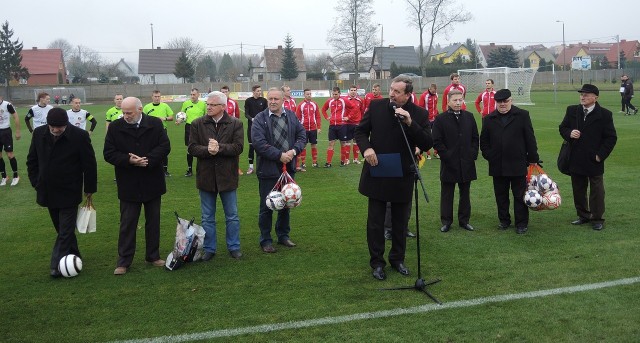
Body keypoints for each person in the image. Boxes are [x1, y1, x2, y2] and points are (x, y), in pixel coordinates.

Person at [354, 75, 432, 281]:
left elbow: (427, 142)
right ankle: (377, 263)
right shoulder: (377, 106)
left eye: (397, 92)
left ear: (408, 94)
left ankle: (397, 259)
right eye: (391, 90)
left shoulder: (419, 114)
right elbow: (360, 132)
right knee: (376, 222)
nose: (391, 94)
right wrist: (367, 148)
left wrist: (410, 122)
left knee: (399, 222)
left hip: (403, 173)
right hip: (377, 169)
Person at [26, 108, 97, 278]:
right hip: (47, 190)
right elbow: (32, 161)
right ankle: (74, 256)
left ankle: (56, 265)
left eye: (61, 127)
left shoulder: (80, 136)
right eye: (53, 127)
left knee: (65, 230)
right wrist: (36, 182)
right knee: (61, 229)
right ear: (48, 124)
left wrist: (89, 189)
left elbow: (89, 164)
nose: (57, 130)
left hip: (69, 191)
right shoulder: (38, 133)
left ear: (66, 123)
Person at [104, 97, 171, 275]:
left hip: (152, 181)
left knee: (153, 222)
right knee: (127, 223)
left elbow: (165, 146)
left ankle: (153, 256)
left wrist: (148, 160)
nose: (125, 116)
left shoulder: (155, 124)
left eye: (129, 113)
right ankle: (124, 261)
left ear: (140, 109)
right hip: (128, 183)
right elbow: (108, 153)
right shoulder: (115, 127)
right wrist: (129, 160)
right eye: (123, 112)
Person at [188, 91, 244, 259]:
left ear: (223, 107)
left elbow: (238, 147)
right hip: (206, 177)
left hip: (227, 176)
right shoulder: (197, 124)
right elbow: (191, 148)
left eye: (213, 105)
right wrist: (207, 150)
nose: (209, 107)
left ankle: (234, 247)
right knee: (207, 217)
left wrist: (220, 147)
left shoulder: (236, 123)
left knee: (232, 216)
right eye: (208, 104)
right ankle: (209, 249)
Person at [251, 87, 306, 253]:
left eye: (276, 99)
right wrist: (279, 155)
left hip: (288, 168)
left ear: (283, 100)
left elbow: (302, 135)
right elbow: (259, 144)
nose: (273, 102)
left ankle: (283, 236)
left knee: (287, 203)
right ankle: (266, 240)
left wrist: (293, 151)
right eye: (270, 99)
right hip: (268, 170)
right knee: (267, 206)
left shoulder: (290, 115)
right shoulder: (259, 119)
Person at [480, 89, 539, 234]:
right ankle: (504, 220)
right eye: (499, 102)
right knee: (501, 195)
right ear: (496, 103)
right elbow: (484, 142)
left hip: (517, 163)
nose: (502, 104)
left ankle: (521, 223)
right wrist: (490, 156)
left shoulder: (522, 115)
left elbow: (530, 138)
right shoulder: (488, 119)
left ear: (511, 101)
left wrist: (533, 158)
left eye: (505, 101)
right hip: (497, 165)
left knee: (519, 195)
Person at [559, 84, 617, 231]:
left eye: (586, 94)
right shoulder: (572, 110)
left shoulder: (605, 114)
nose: (582, 97)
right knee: (578, 189)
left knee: (597, 190)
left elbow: (610, 137)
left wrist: (600, 155)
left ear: (595, 97)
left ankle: (597, 219)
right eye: (581, 94)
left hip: (594, 158)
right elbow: (562, 128)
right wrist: (569, 133)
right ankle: (583, 215)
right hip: (576, 157)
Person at [432, 89, 479, 233]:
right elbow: (437, 141)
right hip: (449, 163)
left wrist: (472, 155)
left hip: (466, 162)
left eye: (460, 100)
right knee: (447, 193)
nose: (458, 103)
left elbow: (475, 138)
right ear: (448, 101)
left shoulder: (469, 117)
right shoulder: (440, 119)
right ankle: (446, 221)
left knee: (465, 193)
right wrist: (447, 156)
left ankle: (464, 221)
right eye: (455, 100)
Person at [143, 90, 174, 177]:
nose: (157, 98)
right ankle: (150, 169)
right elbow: (143, 119)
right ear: (152, 97)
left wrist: (164, 118)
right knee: (150, 150)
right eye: (155, 96)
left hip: (162, 131)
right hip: (150, 132)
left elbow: (171, 117)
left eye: (158, 96)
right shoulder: (147, 107)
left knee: (164, 150)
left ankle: (165, 171)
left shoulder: (165, 106)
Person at [176, 88, 206, 177]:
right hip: (189, 127)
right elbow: (182, 115)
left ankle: (201, 169)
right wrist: (178, 121)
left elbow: (206, 116)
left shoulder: (203, 104)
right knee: (189, 149)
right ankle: (189, 170)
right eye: (191, 94)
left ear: (198, 95)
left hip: (200, 128)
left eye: (194, 94)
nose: (192, 96)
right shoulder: (186, 103)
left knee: (200, 148)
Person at [321, 87, 351, 167]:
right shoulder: (329, 101)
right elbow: (323, 109)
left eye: (336, 94)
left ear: (339, 93)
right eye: (333, 94)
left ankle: (342, 161)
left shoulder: (344, 100)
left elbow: (354, 107)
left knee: (343, 143)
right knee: (331, 143)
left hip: (342, 125)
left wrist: (348, 117)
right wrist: (326, 117)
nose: (334, 96)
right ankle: (328, 163)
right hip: (332, 126)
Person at [295, 88, 321, 170]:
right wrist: (299, 129)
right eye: (307, 94)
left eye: (310, 94)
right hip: (304, 129)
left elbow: (318, 116)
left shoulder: (314, 104)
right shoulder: (301, 105)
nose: (309, 95)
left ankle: (314, 162)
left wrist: (319, 127)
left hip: (313, 128)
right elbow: (297, 118)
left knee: (314, 144)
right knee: (303, 145)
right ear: (304, 95)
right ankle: (303, 163)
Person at [244, 85, 268, 174]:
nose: (259, 92)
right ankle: (251, 167)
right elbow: (246, 114)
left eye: (260, 91)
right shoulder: (248, 101)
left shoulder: (264, 101)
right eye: (258, 91)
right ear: (253, 92)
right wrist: (252, 119)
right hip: (251, 128)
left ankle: (261, 166)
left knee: (262, 147)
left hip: (262, 127)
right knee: (251, 147)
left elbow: (266, 113)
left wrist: (261, 120)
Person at [221, 85, 243, 175]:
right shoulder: (218, 104)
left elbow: (237, 115)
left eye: (226, 92)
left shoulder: (234, 103)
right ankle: (223, 167)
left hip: (232, 129)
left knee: (235, 148)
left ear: (229, 92)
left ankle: (236, 167)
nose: (224, 93)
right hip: (221, 129)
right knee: (221, 148)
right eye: (222, 92)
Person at [0, 95, 21, 186]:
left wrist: (17, 131)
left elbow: (15, 117)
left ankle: (16, 176)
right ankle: (4, 177)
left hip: (6, 132)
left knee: (9, 155)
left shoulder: (7, 105)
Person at [418, 83, 439, 159]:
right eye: (433, 91)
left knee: (436, 135)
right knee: (427, 136)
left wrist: (436, 113)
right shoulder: (424, 96)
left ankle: (436, 152)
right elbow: (420, 107)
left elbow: (435, 105)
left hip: (434, 118)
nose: (434, 92)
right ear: (429, 89)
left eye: (435, 91)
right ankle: (428, 153)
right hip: (427, 119)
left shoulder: (436, 95)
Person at [344, 85, 364, 165]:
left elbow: (362, 111)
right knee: (348, 141)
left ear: (356, 91)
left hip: (357, 123)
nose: (353, 91)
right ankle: (347, 159)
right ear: (349, 91)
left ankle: (355, 159)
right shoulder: (345, 100)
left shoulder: (360, 100)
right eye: (351, 90)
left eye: (354, 90)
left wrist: (361, 121)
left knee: (356, 142)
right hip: (348, 123)